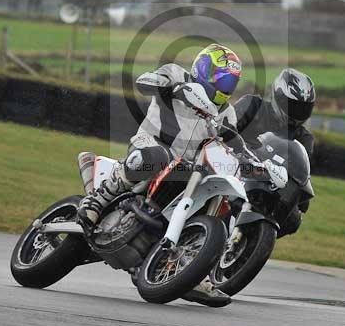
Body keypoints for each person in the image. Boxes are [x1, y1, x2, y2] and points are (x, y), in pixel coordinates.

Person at [77, 43, 244, 307]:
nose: (225, 86)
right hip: (150, 146)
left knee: (223, 199)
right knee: (160, 157)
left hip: (186, 172)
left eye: (230, 82)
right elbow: (145, 82)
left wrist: (256, 164)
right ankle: (99, 198)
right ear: (204, 69)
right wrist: (167, 84)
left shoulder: (227, 112)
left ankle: (191, 267)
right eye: (221, 78)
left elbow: (234, 144)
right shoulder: (177, 74)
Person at [234, 68, 316, 235]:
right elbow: (226, 129)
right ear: (278, 98)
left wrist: (300, 194)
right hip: (234, 165)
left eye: (302, 109)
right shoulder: (253, 105)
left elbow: (299, 170)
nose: (297, 114)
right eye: (293, 106)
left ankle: (253, 240)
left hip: (267, 184)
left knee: (294, 218)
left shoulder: (304, 138)